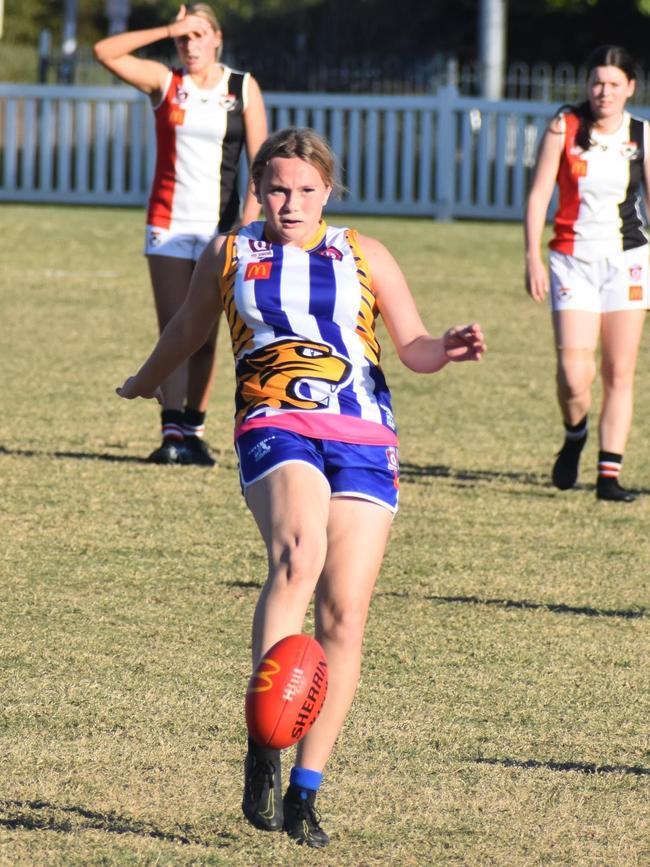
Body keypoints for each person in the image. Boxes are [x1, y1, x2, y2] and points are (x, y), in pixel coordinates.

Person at [117, 127, 486, 846]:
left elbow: (411, 347)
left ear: (328, 191)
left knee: (345, 613)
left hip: (365, 434)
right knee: (298, 557)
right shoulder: (231, 252)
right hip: (274, 422)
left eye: (306, 189)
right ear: (258, 188)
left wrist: (447, 346)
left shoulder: (365, 253)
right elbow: (189, 330)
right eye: (277, 188)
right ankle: (265, 741)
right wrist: (144, 381)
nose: (290, 202)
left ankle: (304, 792)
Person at [94, 3, 268, 465]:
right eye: (182, 38)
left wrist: (247, 225)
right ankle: (171, 434)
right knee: (175, 328)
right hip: (168, 223)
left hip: (221, 228)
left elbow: (261, 165)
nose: (188, 45)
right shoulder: (166, 83)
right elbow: (104, 51)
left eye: (197, 35)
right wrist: (168, 26)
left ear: (217, 39)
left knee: (207, 333)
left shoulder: (241, 87)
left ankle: (193, 429)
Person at [525, 45, 649, 503]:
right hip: (570, 260)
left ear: (630, 88)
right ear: (587, 86)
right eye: (597, 82)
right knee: (575, 374)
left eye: (614, 84)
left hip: (629, 261)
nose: (604, 91)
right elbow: (539, 196)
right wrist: (532, 258)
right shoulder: (564, 128)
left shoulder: (643, 134)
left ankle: (608, 476)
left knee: (620, 370)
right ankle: (575, 433)